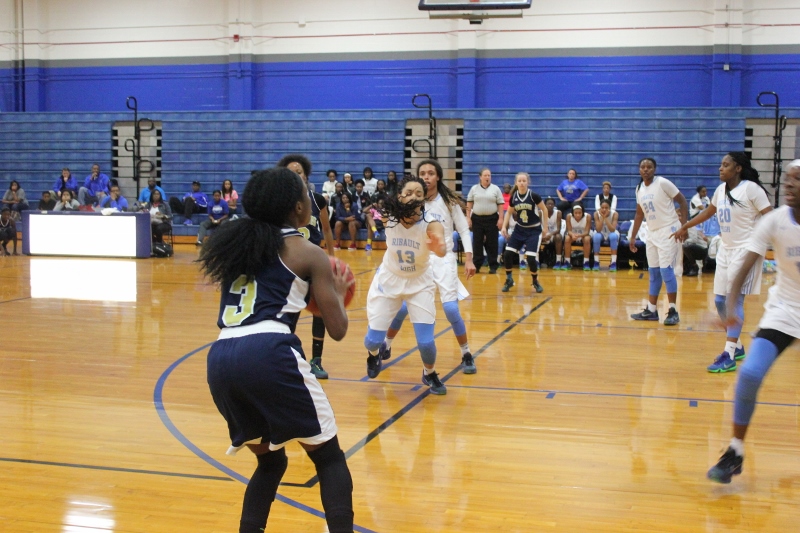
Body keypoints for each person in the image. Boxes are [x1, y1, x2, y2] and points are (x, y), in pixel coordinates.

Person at [198, 167, 355, 533]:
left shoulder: (237, 245)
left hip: (221, 357)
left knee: (270, 463)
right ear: (298, 207)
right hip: (269, 351)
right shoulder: (307, 252)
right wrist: (335, 291)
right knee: (329, 459)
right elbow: (338, 330)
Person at [706, 159, 800, 484]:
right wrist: (731, 307)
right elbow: (743, 269)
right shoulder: (774, 221)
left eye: (797, 179)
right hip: (785, 310)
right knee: (748, 375)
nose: (788, 184)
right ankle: (735, 451)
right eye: (787, 178)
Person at [671, 152, 772, 372]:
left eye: (726, 165)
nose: (720, 168)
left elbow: (770, 216)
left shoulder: (751, 189)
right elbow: (709, 212)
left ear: (738, 168)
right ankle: (738, 345)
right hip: (726, 249)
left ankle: (729, 353)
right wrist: (685, 226)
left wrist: (766, 243)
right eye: (721, 165)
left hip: (746, 250)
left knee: (734, 301)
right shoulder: (720, 190)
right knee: (719, 300)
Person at [379, 159, 477, 374]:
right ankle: (386, 344)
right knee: (402, 308)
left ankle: (466, 353)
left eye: (430, 173)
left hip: (443, 258)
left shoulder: (449, 202)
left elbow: (463, 230)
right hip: (420, 259)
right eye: (422, 173)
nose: (426, 176)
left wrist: (469, 259)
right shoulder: (410, 202)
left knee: (451, 309)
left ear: (438, 177)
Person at [363, 175, 448, 393]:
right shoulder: (389, 217)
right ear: (399, 197)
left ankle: (429, 373)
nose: (413, 197)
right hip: (389, 279)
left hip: (420, 282)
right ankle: (374, 355)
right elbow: (370, 214)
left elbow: (442, 248)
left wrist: (438, 247)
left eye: (419, 193)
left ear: (424, 199)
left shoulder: (431, 223)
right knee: (372, 342)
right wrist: (373, 225)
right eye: (408, 193)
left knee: (426, 343)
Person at [278, 154, 338, 381]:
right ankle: (285, 356)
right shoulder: (279, 202)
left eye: (299, 172)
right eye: (291, 173)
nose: (296, 175)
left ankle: (316, 360)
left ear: (306, 175)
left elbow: (327, 230)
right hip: (289, 265)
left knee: (319, 310)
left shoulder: (317, 200)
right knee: (289, 312)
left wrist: (332, 259)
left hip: (313, 264)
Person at [629, 157, 688, 325]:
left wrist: (684, 227)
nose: (645, 169)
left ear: (654, 169)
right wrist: (632, 236)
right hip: (652, 232)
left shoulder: (662, 183)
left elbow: (682, 201)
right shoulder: (639, 188)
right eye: (642, 167)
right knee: (654, 272)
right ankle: (652, 310)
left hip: (669, 230)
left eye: (649, 167)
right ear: (639, 170)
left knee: (666, 271)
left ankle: (673, 310)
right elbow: (639, 214)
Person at [501, 172, 548, 293]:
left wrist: (545, 227)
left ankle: (535, 281)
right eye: (519, 181)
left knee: (531, 259)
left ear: (528, 182)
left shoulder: (533, 196)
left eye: (524, 181)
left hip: (534, 230)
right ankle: (509, 279)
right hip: (519, 229)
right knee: (507, 254)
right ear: (516, 183)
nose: (522, 183)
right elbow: (509, 212)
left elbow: (544, 209)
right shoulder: (514, 197)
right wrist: (504, 227)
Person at [466, 168, 504, 274]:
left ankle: (493, 266)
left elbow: (500, 205)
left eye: (489, 175)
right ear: (480, 177)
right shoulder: (474, 189)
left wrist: (501, 219)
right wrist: (468, 217)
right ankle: (476, 265)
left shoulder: (496, 189)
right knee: (477, 243)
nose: (487, 177)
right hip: (477, 219)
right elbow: (469, 204)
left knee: (492, 243)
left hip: (492, 219)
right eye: (485, 175)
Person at [592, 199, 620, 271]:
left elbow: (612, 229)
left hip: (611, 232)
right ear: (600, 208)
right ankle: (596, 261)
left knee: (613, 236)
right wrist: (602, 218)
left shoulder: (615, 214)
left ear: (609, 208)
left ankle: (613, 262)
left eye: (606, 208)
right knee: (596, 237)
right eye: (602, 207)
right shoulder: (596, 214)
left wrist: (606, 218)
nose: (604, 209)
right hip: (600, 232)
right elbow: (598, 229)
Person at [352, 179, 378, 251]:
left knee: (368, 216)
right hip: (356, 214)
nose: (359, 188)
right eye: (357, 187)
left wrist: (363, 211)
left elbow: (369, 207)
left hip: (364, 213)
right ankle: (353, 244)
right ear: (355, 187)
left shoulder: (366, 195)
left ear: (363, 187)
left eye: (360, 187)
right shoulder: (352, 195)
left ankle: (369, 243)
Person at [563, 205, 591, 270]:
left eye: (579, 213)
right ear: (573, 213)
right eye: (576, 213)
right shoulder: (569, 216)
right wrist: (572, 235)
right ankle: (567, 261)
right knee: (567, 238)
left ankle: (586, 262)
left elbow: (587, 232)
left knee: (587, 239)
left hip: (584, 235)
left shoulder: (588, 216)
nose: (578, 215)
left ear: (582, 212)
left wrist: (579, 236)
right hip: (573, 235)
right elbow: (569, 230)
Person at [541, 197, 564, 269]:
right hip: (543, 234)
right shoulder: (540, 213)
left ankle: (558, 260)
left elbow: (558, 229)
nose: (550, 205)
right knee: (535, 237)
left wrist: (550, 235)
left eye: (552, 204)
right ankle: (536, 260)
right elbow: (537, 227)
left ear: (554, 205)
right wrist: (543, 235)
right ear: (545, 205)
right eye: (548, 204)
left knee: (558, 237)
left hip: (554, 234)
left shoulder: (558, 213)